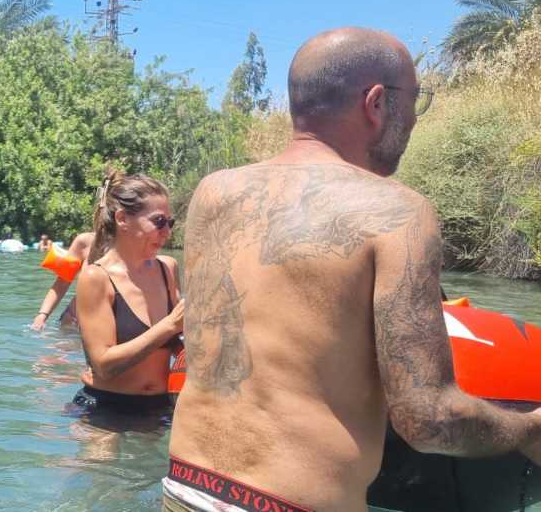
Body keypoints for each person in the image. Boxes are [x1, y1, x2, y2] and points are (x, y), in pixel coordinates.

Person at [166, 27, 541, 512]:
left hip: (186, 486)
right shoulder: (398, 212)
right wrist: (528, 428)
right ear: (377, 102)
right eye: (416, 101)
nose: (415, 118)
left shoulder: (214, 192)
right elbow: (429, 420)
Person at [69, 170, 184, 428]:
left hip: (159, 409)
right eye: (159, 222)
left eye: (170, 222)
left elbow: (176, 342)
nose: (167, 232)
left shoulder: (168, 269)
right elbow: (103, 365)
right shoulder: (96, 277)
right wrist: (170, 325)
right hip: (105, 410)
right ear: (122, 219)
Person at [30, 231, 102, 330]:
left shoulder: (125, 247)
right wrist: (42, 316)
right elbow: (62, 282)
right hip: (75, 318)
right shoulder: (85, 241)